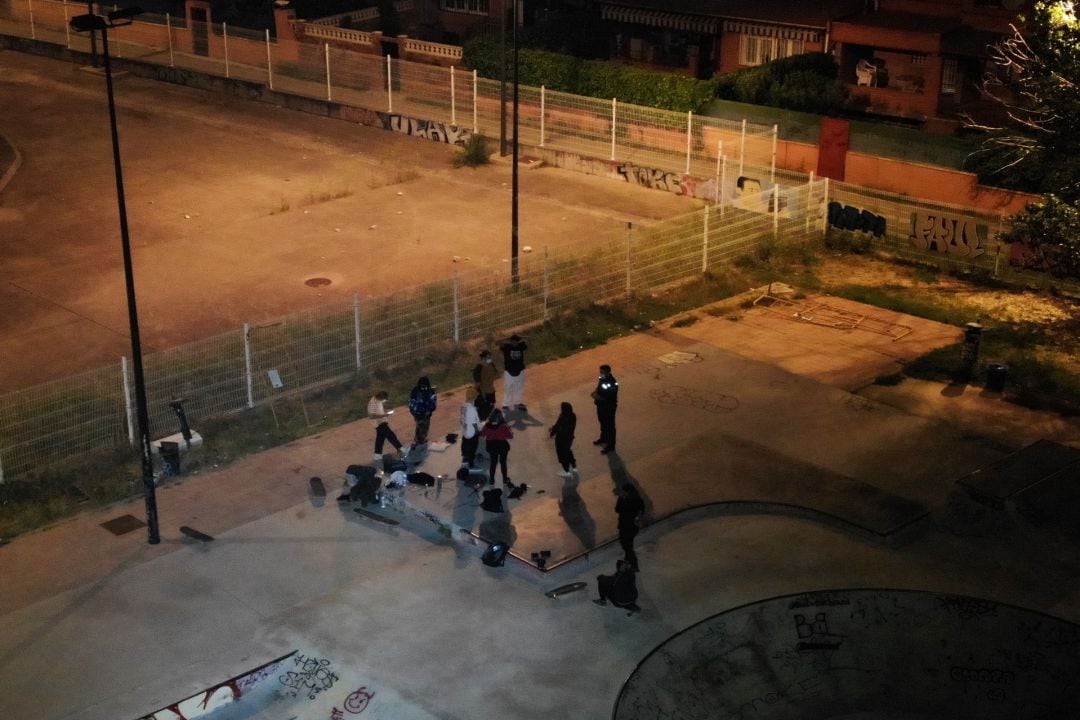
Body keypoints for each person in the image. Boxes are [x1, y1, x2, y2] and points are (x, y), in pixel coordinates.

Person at [367, 390, 405, 461]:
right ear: (380, 397)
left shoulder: (378, 400)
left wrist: (386, 411)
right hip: (378, 423)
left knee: (380, 439)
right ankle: (400, 448)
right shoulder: (372, 403)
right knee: (391, 435)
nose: (384, 401)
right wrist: (384, 415)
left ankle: (377, 455)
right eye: (383, 399)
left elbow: (379, 409)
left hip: (382, 421)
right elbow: (371, 416)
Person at [480, 408, 513, 486]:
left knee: (493, 463)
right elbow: (510, 436)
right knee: (503, 463)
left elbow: (482, 434)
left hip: (491, 446)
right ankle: (505, 479)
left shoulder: (487, 425)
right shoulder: (503, 426)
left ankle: (492, 480)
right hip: (502, 446)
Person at [615, 483, 644, 571]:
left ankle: (633, 564)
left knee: (626, 546)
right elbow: (642, 509)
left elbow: (617, 509)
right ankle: (628, 562)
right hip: (632, 527)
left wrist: (621, 498)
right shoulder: (637, 498)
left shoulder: (625, 499)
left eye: (624, 491)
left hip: (625, 526)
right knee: (628, 546)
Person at [591, 364, 619, 454]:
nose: (600, 374)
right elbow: (599, 387)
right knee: (602, 423)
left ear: (608, 372)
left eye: (602, 372)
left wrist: (595, 396)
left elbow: (608, 397)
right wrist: (595, 392)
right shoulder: (602, 378)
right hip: (601, 406)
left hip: (609, 408)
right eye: (600, 372)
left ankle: (611, 446)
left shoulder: (612, 382)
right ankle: (604, 439)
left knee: (610, 426)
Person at [500, 333, 528, 413]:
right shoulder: (507, 347)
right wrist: (507, 338)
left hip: (520, 371)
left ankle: (518, 402)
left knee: (519, 388)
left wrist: (522, 336)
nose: (515, 343)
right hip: (509, 372)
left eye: (516, 341)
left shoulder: (521, 346)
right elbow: (497, 342)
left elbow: (530, 340)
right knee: (507, 388)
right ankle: (505, 404)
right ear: (511, 341)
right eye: (513, 341)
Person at [549, 401, 577, 478]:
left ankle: (566, 471)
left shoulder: (563, 417)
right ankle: (574, 466)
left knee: (562, 454)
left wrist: (552, 433)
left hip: (561, 439)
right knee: (568, 451)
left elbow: (557, 426)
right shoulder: (573, 416)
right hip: (570, 438)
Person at [407, 376, 437, 447]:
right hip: (422, 413)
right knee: (423, 427)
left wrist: (414, 411)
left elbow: (412, 403)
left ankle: (419, 440)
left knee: (421, 426)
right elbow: (433, 402)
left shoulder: (415, 390)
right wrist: (428, 410)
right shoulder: (429, 391)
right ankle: (420, 441)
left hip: (419, 413)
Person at [473, 350, 498, 421]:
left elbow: (495, 373)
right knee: (485, 412)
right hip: (484, 393)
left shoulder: (490, 365)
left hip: (489, 391)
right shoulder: (479, 368)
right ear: (483, 358)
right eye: (488, 357)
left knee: (490, 409)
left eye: (490, 357)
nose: (490, 358)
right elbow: (477, 384)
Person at [460, 387, 481, 468]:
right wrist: (477, 431)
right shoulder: (472, 409)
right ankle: (471, 463)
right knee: (472, 447)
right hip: (472, 432)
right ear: (473, 398)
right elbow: (474, 423)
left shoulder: (463, 406)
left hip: (465, 431)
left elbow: (462, 419)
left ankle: (464, 457)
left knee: (465, 444)